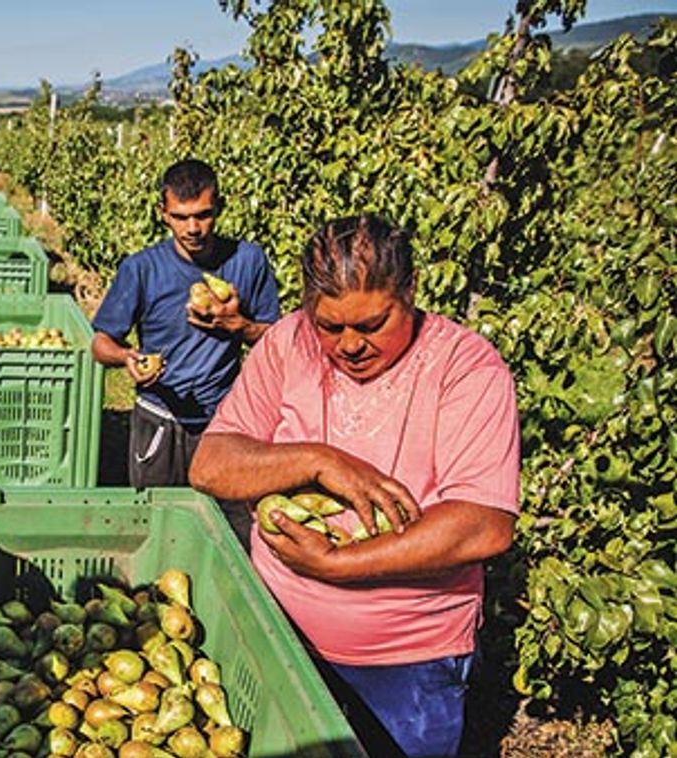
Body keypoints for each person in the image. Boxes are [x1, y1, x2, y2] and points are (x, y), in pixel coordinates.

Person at [188, 215, 520, 757]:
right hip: (277, 636)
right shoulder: (288, 343)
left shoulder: (465, 368)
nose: (349, 345)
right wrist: (318, 460)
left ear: (410, 292)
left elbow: (482, 524)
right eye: (330, 325)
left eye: (372, 324)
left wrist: (338, 565)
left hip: (406, 661)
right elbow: (211, 464)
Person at [91, 158, 281, 488]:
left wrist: (238, 325)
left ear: (219, 208)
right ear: (163, 213)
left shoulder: (248, 261)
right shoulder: (141, 269)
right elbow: (100, 344)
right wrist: (127, 358)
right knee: (158, 523)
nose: (193, 229)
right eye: (180, 217)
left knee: (223, 526)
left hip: (223, 422)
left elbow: (275, 341)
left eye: (203, 215)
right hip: (160, 418)